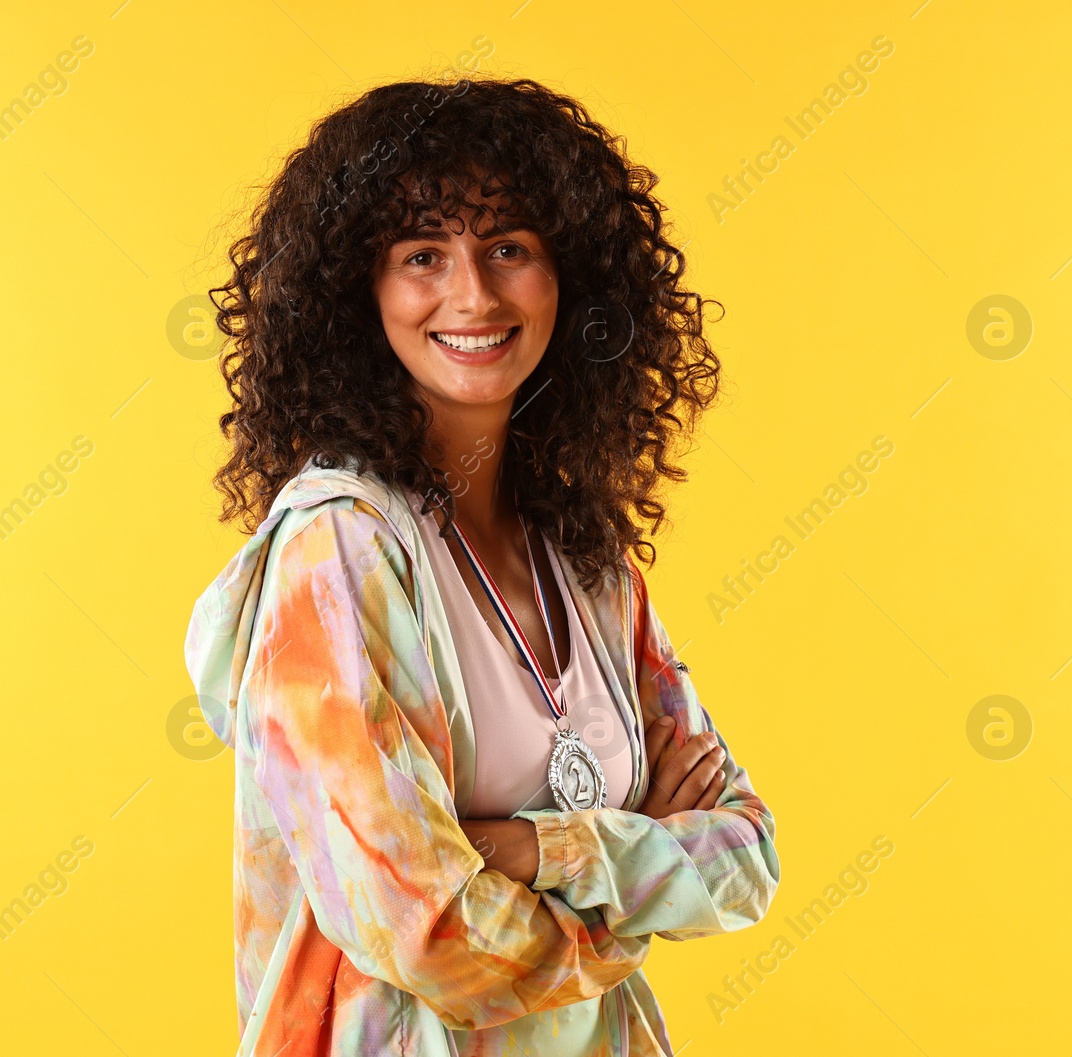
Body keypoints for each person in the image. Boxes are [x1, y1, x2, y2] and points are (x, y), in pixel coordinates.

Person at [182, 77, 779, 1056]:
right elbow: (428, 934)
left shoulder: (585, 561)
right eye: (423, 255)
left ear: (570, 275)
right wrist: (637, 894)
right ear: (357, 292)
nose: (474, 294)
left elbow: (747, 853)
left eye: (509, 247)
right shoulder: (339, 551)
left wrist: (535, 846)